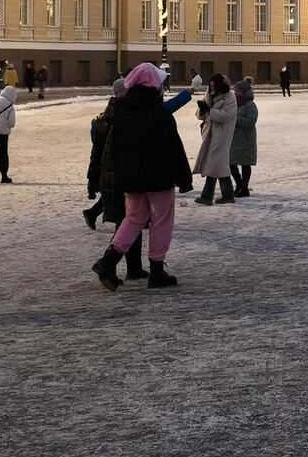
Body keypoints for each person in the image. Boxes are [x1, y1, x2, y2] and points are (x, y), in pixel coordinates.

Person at [92, 63, 193, 290]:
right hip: (159, 178)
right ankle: (156, 272)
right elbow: (174, 148)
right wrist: (184, 179)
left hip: (131, 179)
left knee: (133, 218)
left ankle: (108, 262)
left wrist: (118, 177)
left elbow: (113, 148)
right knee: (162, 220)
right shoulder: (160, 113)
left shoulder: (122, 111)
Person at [83, 79, 147, 280]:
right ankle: (108, 264)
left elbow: (96, 153)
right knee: (129, 223)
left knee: (128, 221)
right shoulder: (124, 116)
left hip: (107, 177)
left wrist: (92, 179)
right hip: (122, 176)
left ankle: (133, 268)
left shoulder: (104, 117)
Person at [191, 75, 238, 204]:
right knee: (218, 164)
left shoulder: (230, 97)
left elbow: (225, 116)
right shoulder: (209, 94)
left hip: (222, 134)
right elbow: (200, 115)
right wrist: (201, 109)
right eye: (210, 86)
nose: (211, 88)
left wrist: (209, 111)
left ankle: (208, 196)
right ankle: (226, 195)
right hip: (210, 132)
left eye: (213, 86)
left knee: (216, 163)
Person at [230, 78, 258, 197]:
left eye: (238, 91)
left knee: (245, 164)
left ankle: (244, 187)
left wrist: (235, 119)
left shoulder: (250, 105)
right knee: (231, 163)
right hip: (234, 139)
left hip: (246, 139)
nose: (236, 94)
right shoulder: (233, 104)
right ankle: (239, 184)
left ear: (245, 92)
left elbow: (251, 122)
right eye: (235, 91)